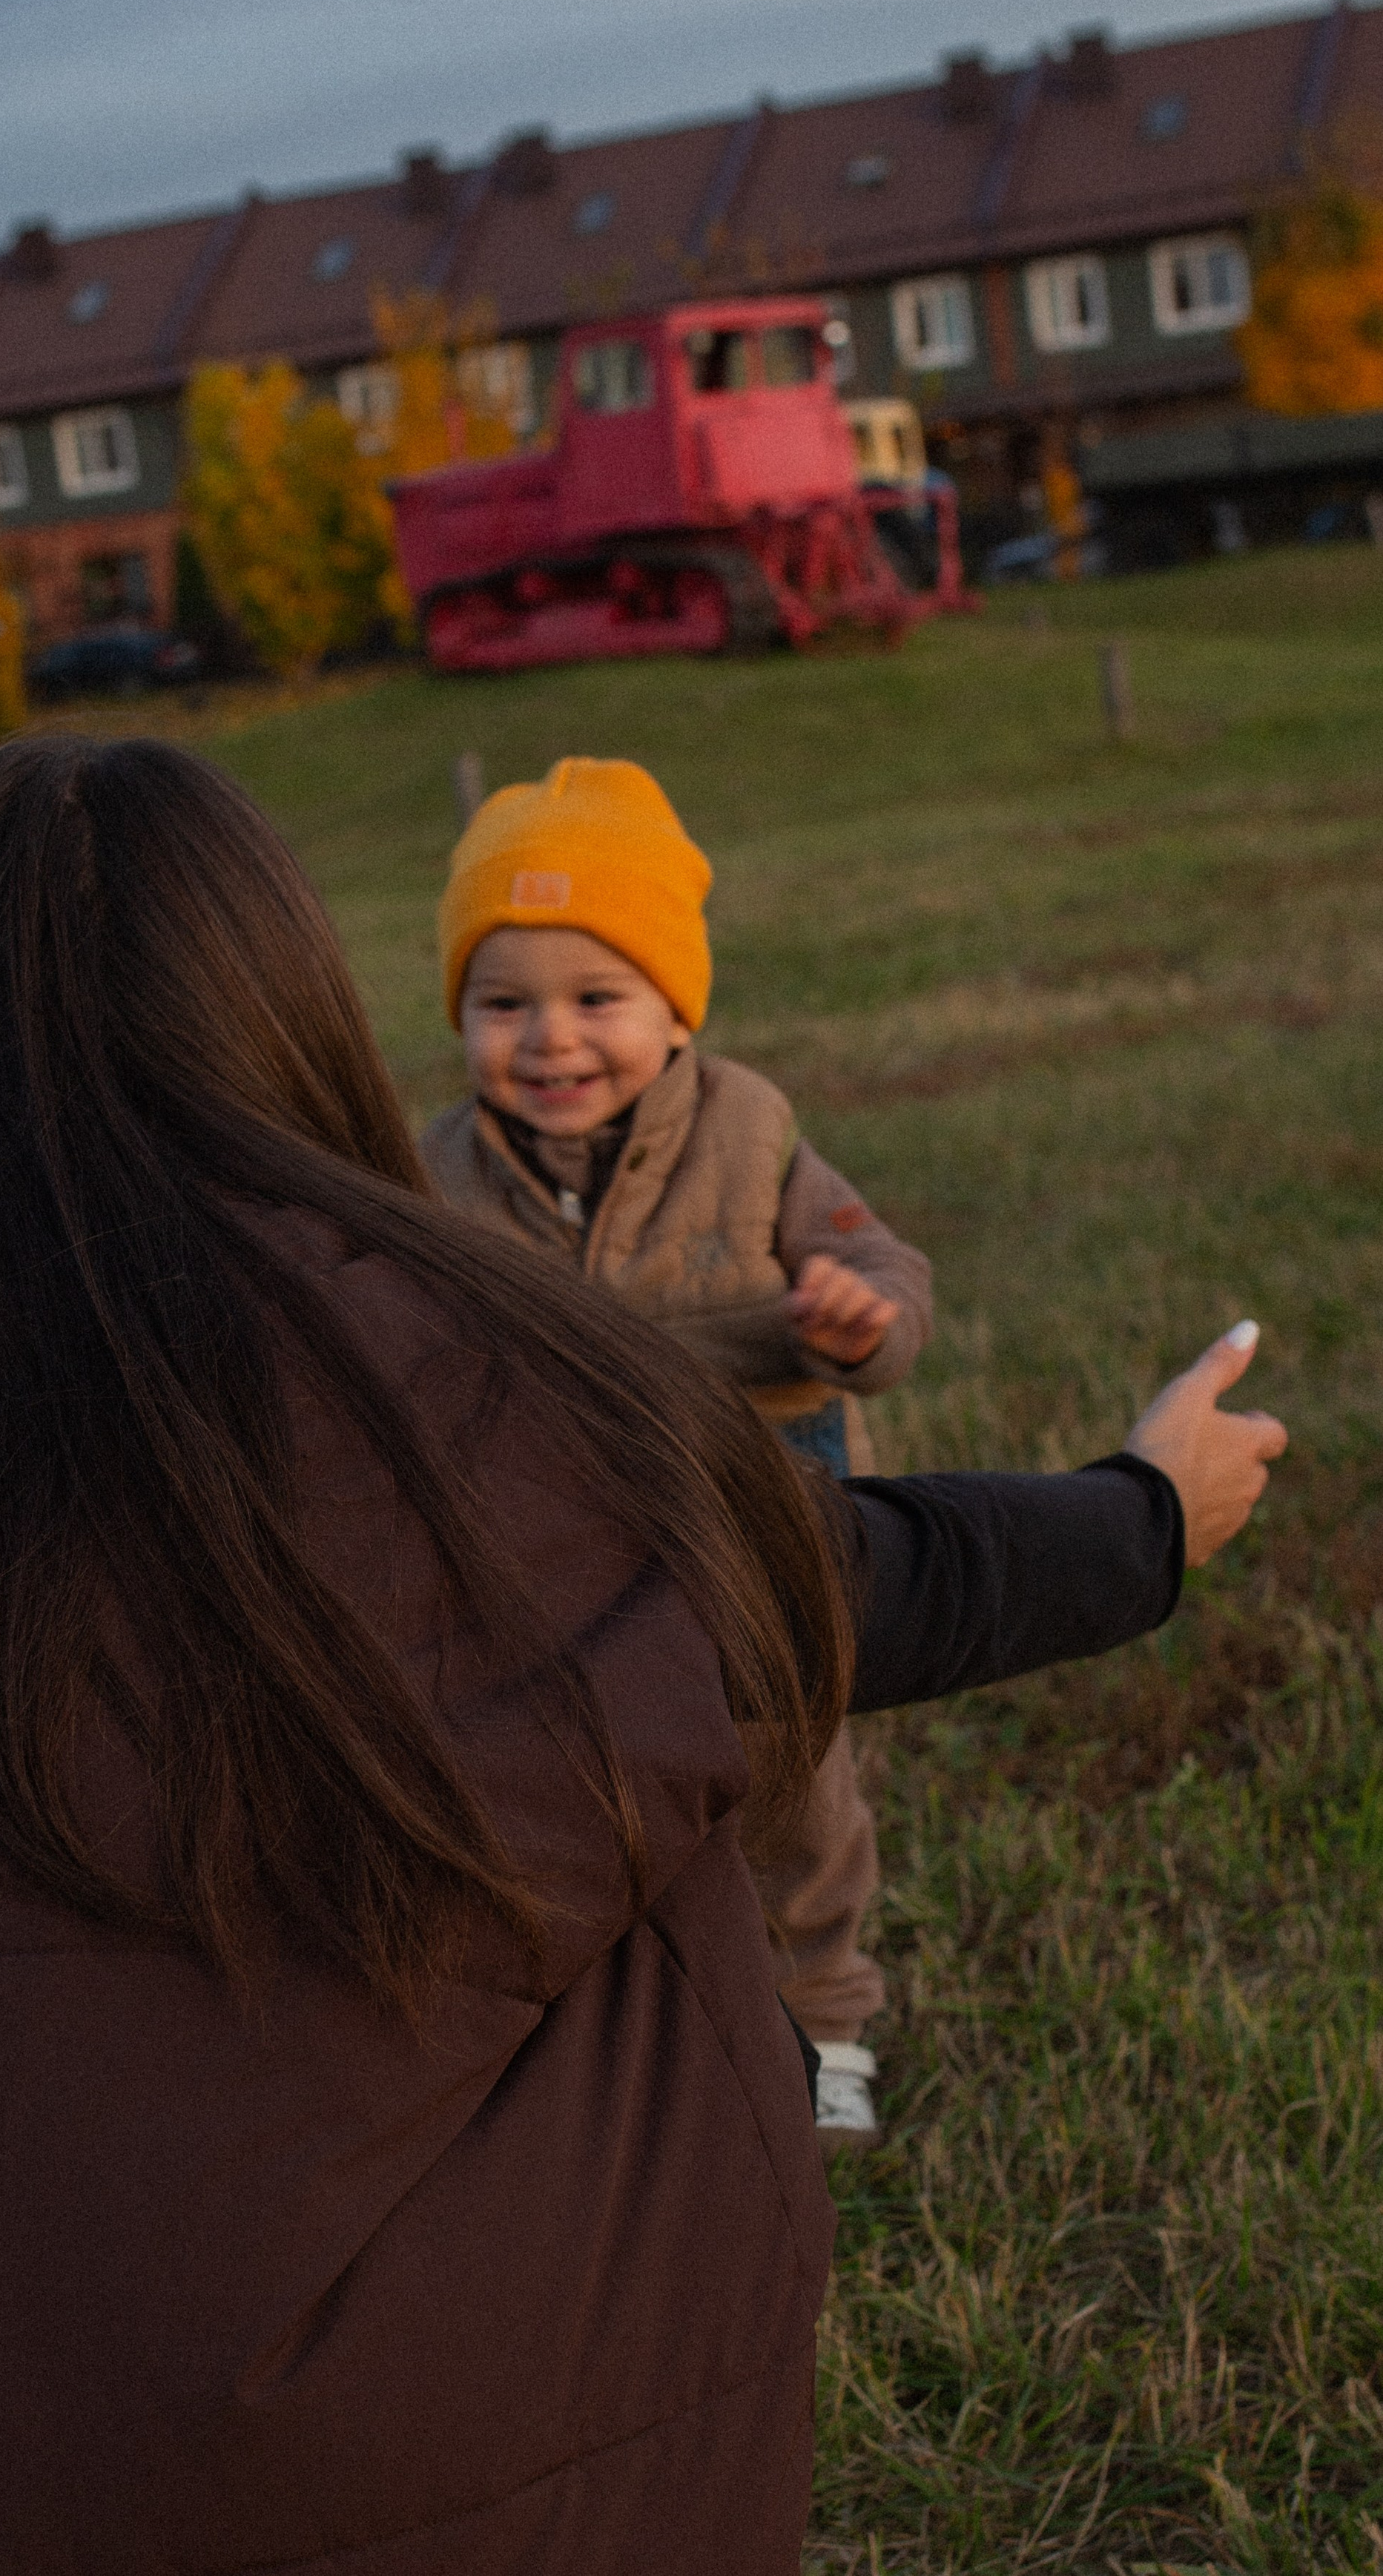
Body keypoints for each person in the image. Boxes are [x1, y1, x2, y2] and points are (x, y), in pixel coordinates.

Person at [0, 738, 1283, 2576]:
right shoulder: (410, 1335)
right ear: (284, 997)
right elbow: (824, 1589)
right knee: (657, 1772)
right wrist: (1143, 1514)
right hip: (356, 2472)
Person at [422, 757, 925, 2144]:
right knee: (576, 1784)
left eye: (599, 999)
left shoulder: (753, 1137)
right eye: (502, 1003)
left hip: (759, 1531)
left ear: (675, 1009)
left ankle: (824, 2018)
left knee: (790, 1783)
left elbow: (876, 1264)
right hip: (555, 1552)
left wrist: (857, 1317)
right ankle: (614, 2016)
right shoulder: (437, 1180)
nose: (551, 1042)